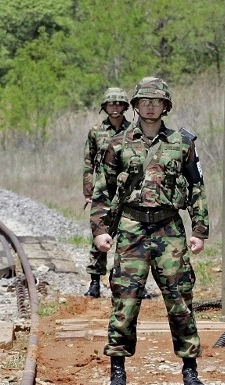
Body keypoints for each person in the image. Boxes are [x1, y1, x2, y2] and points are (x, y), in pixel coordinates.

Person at [90, 76, 209, 385]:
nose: (151, 106)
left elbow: (196, 187)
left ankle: (190, 372)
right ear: (136, 105)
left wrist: (199, 229)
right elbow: (103, 189)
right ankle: (117, 374)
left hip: (169, 228)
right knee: (125, 303)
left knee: (180, 300)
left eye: (157, 101)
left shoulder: (182, 142)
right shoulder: (117, 144)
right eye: (145, 101)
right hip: (131, 228)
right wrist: (101, 231)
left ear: (166, 106)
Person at [82, 87, 132, 298]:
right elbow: (88, 163)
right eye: (111, 104)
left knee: (130, 236)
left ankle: (130, 281)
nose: (115, 107)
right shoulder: (96, 131)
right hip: (103, 190)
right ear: (105, 107)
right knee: (99, 233)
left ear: (125, 107)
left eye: (119, 103)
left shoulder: (133, 131)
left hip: (127, 190)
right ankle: (94, 282)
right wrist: (88, 191)